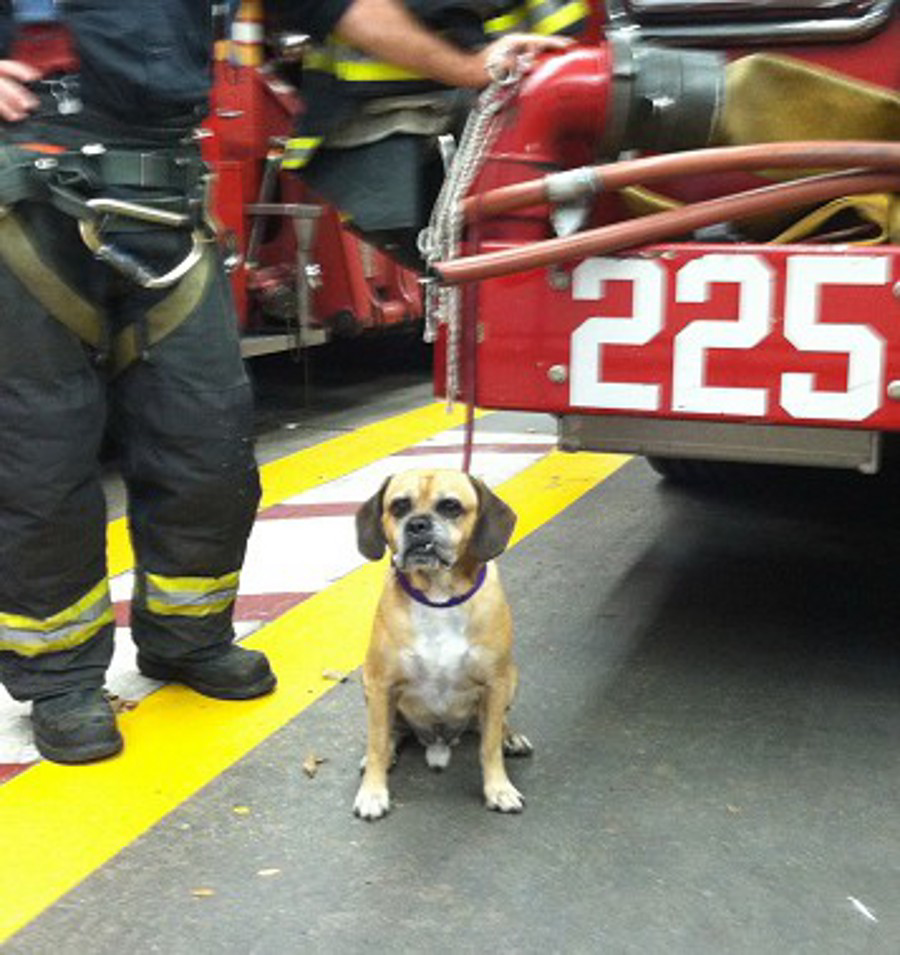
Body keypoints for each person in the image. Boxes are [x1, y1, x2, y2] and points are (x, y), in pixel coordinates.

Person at [0, 0, 571, 766]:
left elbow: (343, 7)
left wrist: (479, 69)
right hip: (30, 195)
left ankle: (187, 637)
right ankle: (62, 678)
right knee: (39, 456)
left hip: (166, 195)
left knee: (206, 444)